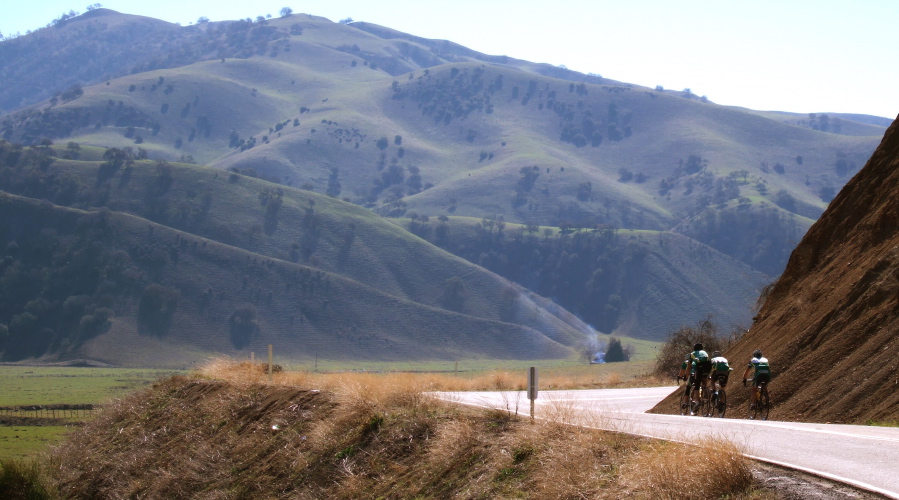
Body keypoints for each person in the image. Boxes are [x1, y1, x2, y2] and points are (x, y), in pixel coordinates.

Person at [682, 343, 712, 415]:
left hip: (698, 371)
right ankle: (705, 392)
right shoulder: (705, 353)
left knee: (694, 386)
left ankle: (697, 401)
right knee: (703, 381)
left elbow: (688, 368)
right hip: (707, 369)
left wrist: (686, 377)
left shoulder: (692, 354)